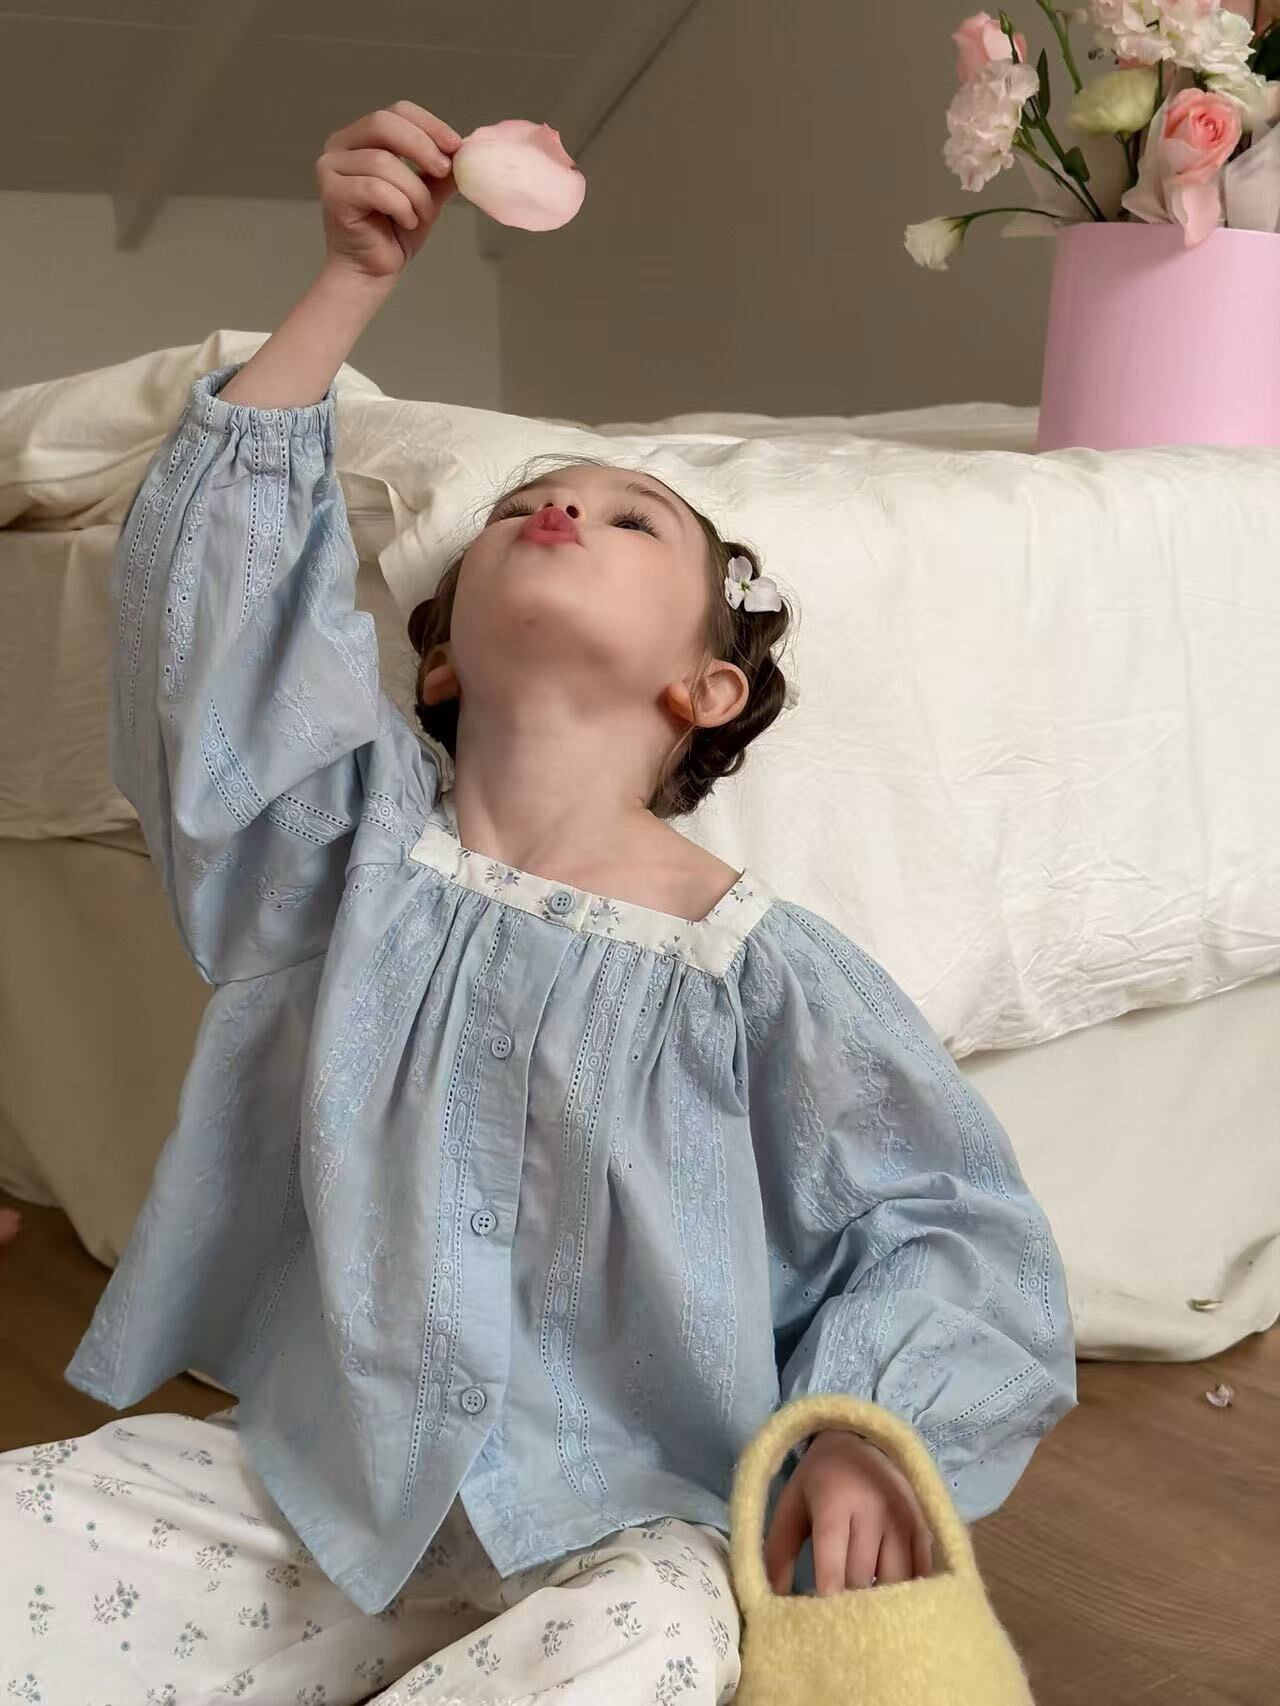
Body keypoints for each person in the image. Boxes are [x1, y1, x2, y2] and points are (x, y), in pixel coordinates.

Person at [0, 100, 1075, 1705]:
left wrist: (864, 1430)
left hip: (622, 1529)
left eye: (634, 518)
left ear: (705, 686)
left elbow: (949, 1228)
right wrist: (351, 281)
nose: (558, 509)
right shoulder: (339, 854)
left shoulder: (761, 973)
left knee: (657, 1634)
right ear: (437, 662)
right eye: (519, 507)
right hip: (316, 1496)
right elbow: (216, 636)